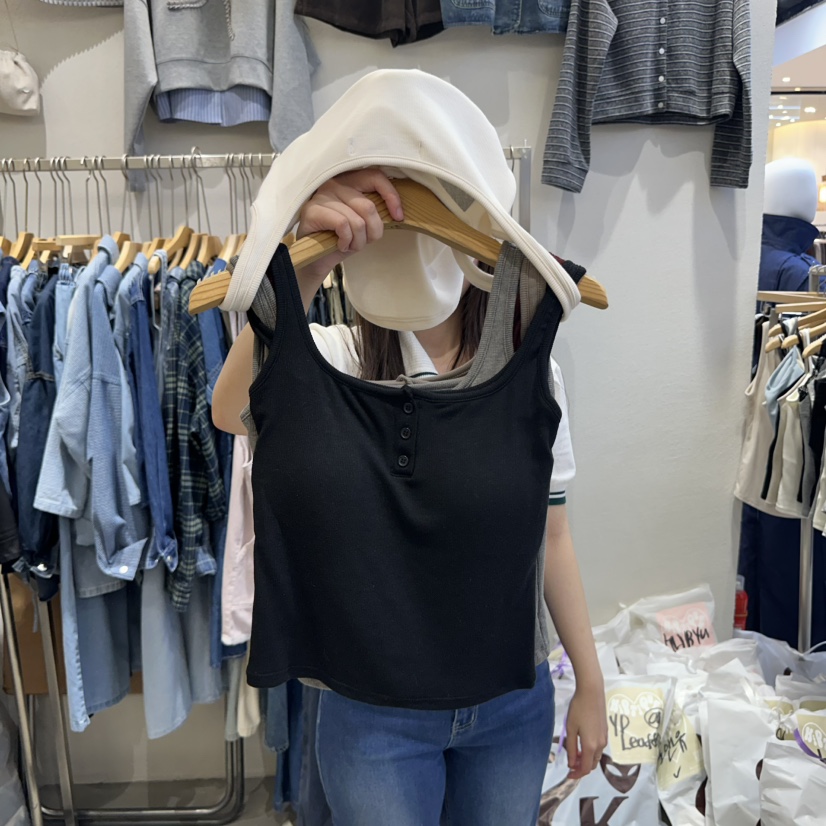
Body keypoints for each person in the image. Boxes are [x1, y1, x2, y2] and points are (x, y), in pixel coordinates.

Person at [213, 168, 608, 825]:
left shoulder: (531, 370)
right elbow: (230, 408)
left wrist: (590, 682)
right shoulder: (335, 358)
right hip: (372, 710)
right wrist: (309, 260)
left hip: (511, 701)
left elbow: (553, 535)